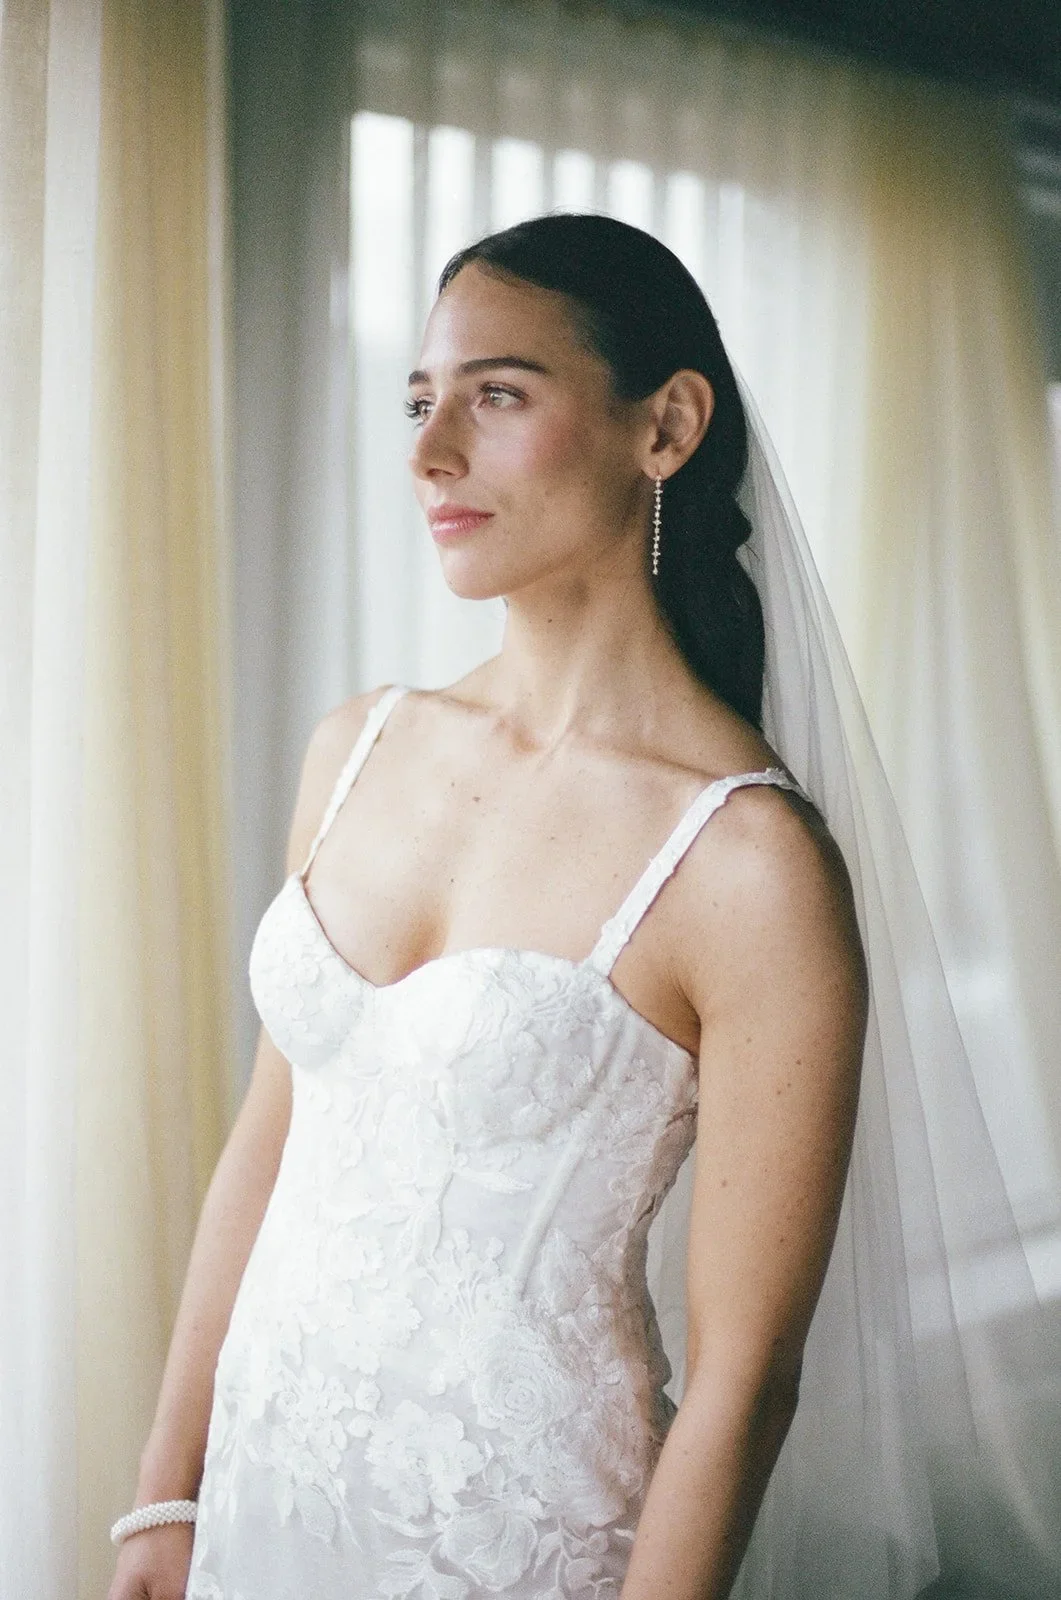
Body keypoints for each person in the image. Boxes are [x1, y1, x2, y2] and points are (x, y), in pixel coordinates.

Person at [107, 215, 1055, 1600]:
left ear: (664, 427)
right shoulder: (358, 746)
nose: (430, 455)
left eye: (498, 397)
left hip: (521, 1541)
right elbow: (271, 1141)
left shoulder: (746, 866)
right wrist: (164, 1496)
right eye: (421, 400)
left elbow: (746, 1378)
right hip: (266, 1489)